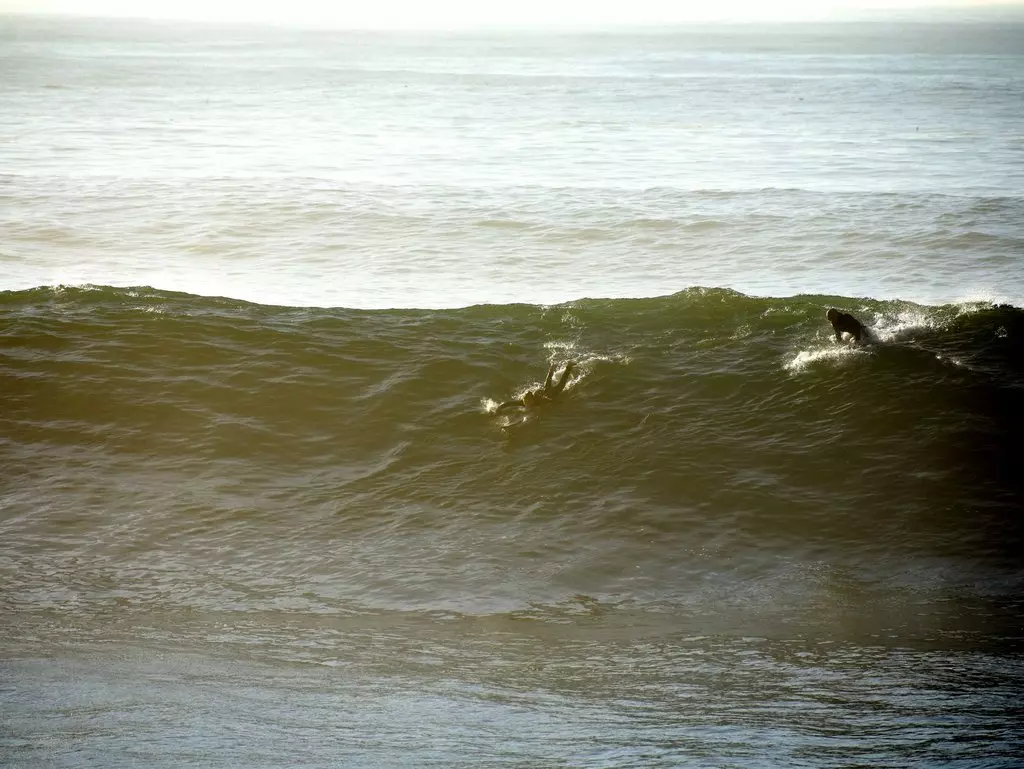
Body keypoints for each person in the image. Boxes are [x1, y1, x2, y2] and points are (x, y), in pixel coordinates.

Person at [495, 361, 576, 414]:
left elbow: (550, 401)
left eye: (528, 403)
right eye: (526, 402)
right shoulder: (523, 402)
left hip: (551, 393)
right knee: (548, 381)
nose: (527, 404)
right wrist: (499, 408)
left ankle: (569, 367)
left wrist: (558, 402)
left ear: (532, 400)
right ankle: (552, 367)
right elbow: (509, 403)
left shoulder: (539, 400)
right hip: (544, 389)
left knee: (561, 384)